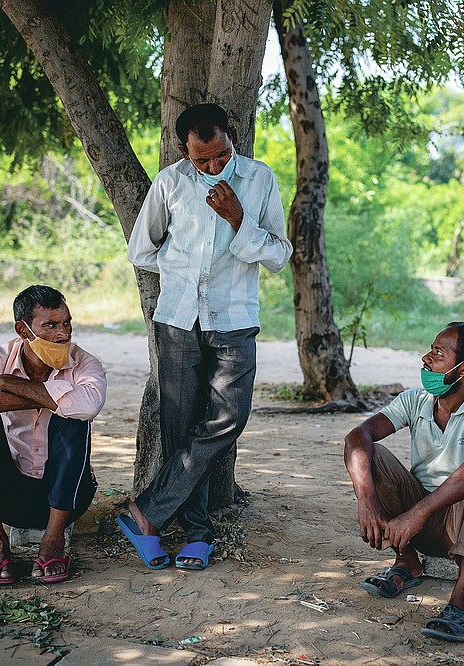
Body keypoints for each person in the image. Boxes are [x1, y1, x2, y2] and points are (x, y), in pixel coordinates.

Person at [121, 103, 293, 571]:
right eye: (203, 160)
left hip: (234, 320)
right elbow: (142, 249)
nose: (215, 166)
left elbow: (279, 254)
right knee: (180, 429)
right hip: (177, 318)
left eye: (221, 155)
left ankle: (145, 513)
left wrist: (239, 220)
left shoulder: (258, 179)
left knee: (228, 418)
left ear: (230, 138)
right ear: (184, 151)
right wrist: (180, 271)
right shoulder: (170, 183)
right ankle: (196, 533)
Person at [343, 322, 464, 643]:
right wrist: (367, 500)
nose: (425, 359)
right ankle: (406, 562)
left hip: (463, 528)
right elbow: (357, 436)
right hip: (413, 530)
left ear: (463, 369)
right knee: (370, 452)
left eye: (437, 353)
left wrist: (417, 513)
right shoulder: (415, 400)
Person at [0, 285, 106, 584]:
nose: (63, 334)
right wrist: (51, 396)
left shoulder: (85, 362)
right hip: (9, 496)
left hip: (69, 496)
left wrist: (7, 385)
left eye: (67, 323)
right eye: (51, 325)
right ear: (23, 329)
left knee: (74, 419)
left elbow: (89, 405)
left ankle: (53, 540)